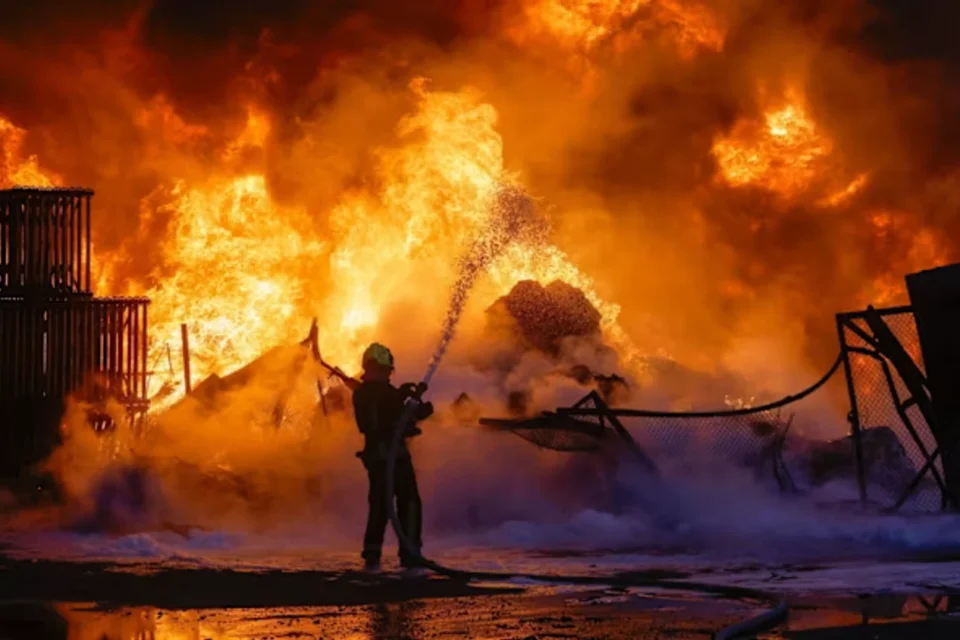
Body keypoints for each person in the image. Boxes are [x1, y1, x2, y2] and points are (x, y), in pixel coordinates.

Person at [352, 342, 433, 571]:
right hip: (389, 458)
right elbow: (381, 423)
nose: (388, 375)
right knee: (407, 502)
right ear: (374, 368)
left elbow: (395, 417)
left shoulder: (371, 393)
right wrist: (411, 410)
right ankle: (410, 554)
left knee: (381, 504)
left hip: (383, 457)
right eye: (386, 370)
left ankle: (373, 556)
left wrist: (412, 410)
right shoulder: (370, 394)